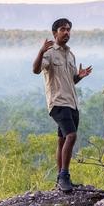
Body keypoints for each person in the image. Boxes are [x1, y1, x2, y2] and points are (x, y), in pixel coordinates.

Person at [32, 18, 92, 192]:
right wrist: (41, 51)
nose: (66, 32)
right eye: (62, 29)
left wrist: (80, 75)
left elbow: (71, 80)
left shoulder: (70, 55)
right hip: (58, 103)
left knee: (62, 140)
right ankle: (64, 176)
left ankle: (60, 179)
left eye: (68, 29)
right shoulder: (49, 53)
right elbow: (36, 70)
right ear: (54, 33)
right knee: (71, 136)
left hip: (72, 102)